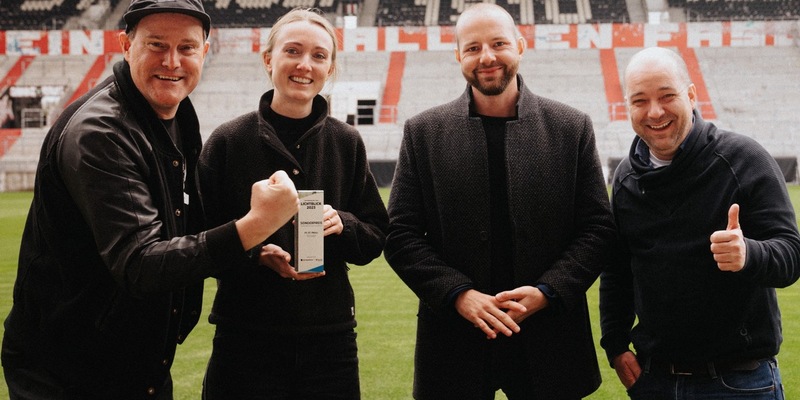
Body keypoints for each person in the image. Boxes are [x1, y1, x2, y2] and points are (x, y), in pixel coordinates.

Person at [0, 0, 301, 398]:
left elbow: (180, 217)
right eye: (157, 45)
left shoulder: (174, 112)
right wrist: (255, 226)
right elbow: (140, 263)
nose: (172, 61)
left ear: (204, 52)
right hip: (70, 372)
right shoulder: (101, 133)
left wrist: (250, 250)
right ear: (126, 46)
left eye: (186, 48)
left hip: (135, 361)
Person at [383, 3, 615, 399]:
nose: (487, 57)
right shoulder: (424, 132)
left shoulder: (570, 127)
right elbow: (400, 235)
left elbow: (598, 228)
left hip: (549, 337)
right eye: (473, 48)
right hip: (455, 341)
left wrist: (548, 291)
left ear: (520, 46)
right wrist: (458, 294)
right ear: (458, 55)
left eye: (498, 44)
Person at [197, 8, 389, 399]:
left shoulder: (346, 141)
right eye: (293, 51)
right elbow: (197, 242)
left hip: (330, 342)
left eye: (319, 56)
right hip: (244, 336)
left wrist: (344, 224)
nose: (305, 65)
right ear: (268, 59)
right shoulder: (228, 141)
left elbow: (375, 237)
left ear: (330, 68)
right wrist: (254, 253)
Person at [599, 46, 800, 399]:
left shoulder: (745, 160)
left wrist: (748, 254)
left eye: (667, 96)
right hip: (656, 380)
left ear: (691, 95)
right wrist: (615, 345)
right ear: (627, 106)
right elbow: (617, 270)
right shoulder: (627, 179)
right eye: (640, 101)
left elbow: (791, 255)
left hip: (739, 382)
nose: (655, 111)